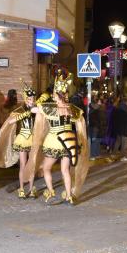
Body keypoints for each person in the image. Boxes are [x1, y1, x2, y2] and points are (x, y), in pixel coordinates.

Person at [25, 72, 89, 205]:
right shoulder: (72, 109)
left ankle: (51, 190)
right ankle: (69, 196)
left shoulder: (50, 108)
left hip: (54, 142)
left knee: (46, 168)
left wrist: (31, 103)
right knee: (65, 170)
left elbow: (33, 111)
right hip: (68, 142)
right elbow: (81, 122)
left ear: (55, 95)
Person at [0, 81, 39, 199]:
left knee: (32, 164)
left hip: (33, 139)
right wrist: (27, 113)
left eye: (33, 99)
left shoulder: (36, 109)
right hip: (23, 138)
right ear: (25, 99)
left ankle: (31, 188)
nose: (31, 101)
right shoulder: (20, 109)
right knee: (23, 164)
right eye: (29, 99)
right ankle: (22, 189)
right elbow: (11, 121)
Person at [112, 96, 127, 161]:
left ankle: (113, 154)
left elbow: (114, 119)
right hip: (126, 129)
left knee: (117, 142)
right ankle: (122, 157)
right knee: (124, 144)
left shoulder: (117, 108)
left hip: (118, 128)